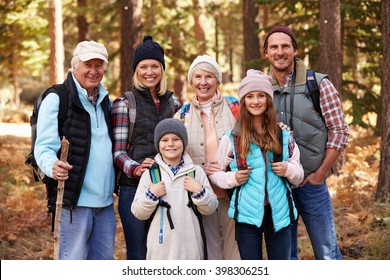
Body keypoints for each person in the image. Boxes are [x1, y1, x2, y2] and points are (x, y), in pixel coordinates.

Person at [263, 25, 349, 260]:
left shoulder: (318, 84)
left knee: (327, 254)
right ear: (266, 52)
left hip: (311, 183)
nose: (279, 52)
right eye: (274, 47)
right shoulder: (260, 88)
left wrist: (321, 173)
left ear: (295, 50)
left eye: (285, 46)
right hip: (277, 187)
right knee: (284, 259)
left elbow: (339, 131)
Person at [209, 69, 303, 260]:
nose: (256, 101)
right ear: (243, 102)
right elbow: (215, 173)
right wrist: (232, 178)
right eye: (250, 96)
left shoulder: (283, 136)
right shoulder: (232, 139)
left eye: (261, 96)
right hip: (247, 216)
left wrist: (288, 169)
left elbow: (299, 172)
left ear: (269, 99)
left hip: (279, 214)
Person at [34, 41, 116, 260]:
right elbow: (42, 147)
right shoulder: (57, 98)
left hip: (106, 203)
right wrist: (52, 166)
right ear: (75, 67)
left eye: (99, 65)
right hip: (74, 203)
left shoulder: (106, 101)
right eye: (88, 64)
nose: (94, 71)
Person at [112, 35, 180, 260]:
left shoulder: (174, 104)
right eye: (143, 67)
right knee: (139, 253)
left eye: (155, 66)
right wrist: (136, 168)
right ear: (136, 70)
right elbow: (118, 152)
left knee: (165, 252)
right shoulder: (125, 104)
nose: (149, 72)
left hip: (169, 188)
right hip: (134, 188)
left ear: (162, 69)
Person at [175, 54, 241, 260]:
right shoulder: (181, 115)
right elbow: (174, 155)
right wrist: (199, 170)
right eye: (198, 77)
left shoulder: (235, 107)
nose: (203, 83)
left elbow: (254, 137)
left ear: (217, 80)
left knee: (235, 251)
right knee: (210, 250)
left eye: (209, 77)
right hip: (201, 193)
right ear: (191, 81)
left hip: (235, 191)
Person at [131, 118, 218, 259]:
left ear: (183, 142)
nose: (170, 144)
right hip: (159, 254)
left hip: (191, 253)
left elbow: (211, 208)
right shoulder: (151, 174)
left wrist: (199, 192)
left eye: (176, 139)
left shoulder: (196, 172)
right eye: (164, 140)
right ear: (158, 144)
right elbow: (138, 212)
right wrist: (151, 195)